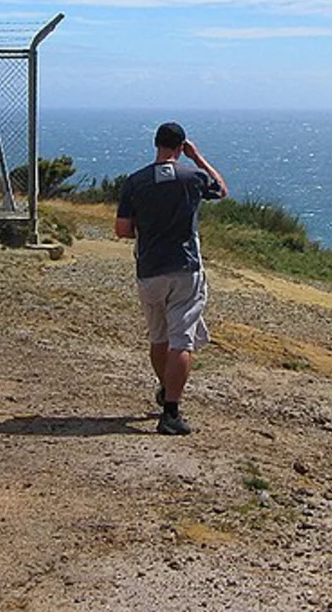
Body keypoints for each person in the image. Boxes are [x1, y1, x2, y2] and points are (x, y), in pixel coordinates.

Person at [115, 121, 228, 435]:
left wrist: (149, 231)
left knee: (159, 338)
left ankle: (167, 389)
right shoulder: (192, 178)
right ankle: (171, 411)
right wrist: (198, 157)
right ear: (181, 147)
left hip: (149, 269)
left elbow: (122, 229)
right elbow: (221, 189)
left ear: (156, 144)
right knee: (182, 340)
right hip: (185, 267)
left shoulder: (135, 182)